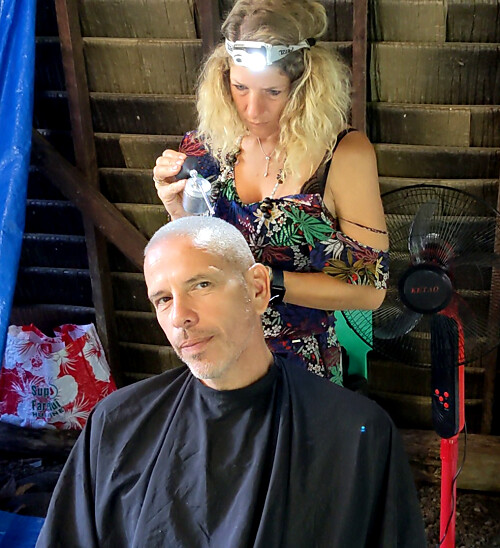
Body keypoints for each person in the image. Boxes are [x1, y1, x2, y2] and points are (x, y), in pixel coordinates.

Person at [37, 217, 425, 548]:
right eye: (163, 299)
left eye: (201, 285)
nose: (180, 317)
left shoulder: (356, 433)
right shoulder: (117, 425)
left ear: (257, 289)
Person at [153, 0, 389, 385]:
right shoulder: (205, 149)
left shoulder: (342, 156)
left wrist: (271, 283)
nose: (253, 109)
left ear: (305, 86)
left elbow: (370, 290)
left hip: (302, 370)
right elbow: (198, 269)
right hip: (219, 360)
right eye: (240, 87)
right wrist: (177, 213)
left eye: (273, 92)